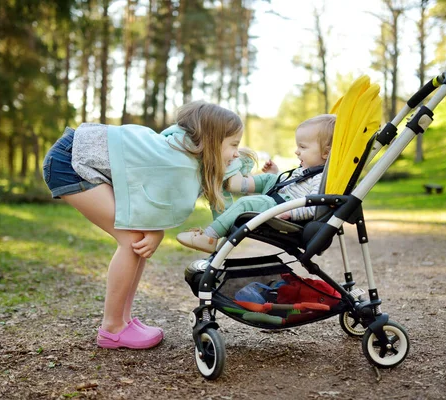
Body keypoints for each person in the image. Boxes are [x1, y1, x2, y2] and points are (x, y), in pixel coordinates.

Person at [42, 101, 244, 350]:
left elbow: (145, 189)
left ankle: (123, 320)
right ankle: (112, 328)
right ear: (213, 140)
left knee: (137, 240)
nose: (237, 153)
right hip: (70, 162)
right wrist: (156, 230)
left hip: (78, 156)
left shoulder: (180, 150)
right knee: (131, 240)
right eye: (233, 145)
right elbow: (150, 198)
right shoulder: (177, 162)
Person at [176, 114, 336, 253]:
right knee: (270, 179)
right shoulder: (307, 169)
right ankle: (235, 182)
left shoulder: (320, 177)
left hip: (283, 208)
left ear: (326, 153)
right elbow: (295, 187)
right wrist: (276, 174)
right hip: (280, 198)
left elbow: (315, 206)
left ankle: (209, 238)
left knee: (247, 203)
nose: (296, 151)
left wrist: (291, 213)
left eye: (302, 147)